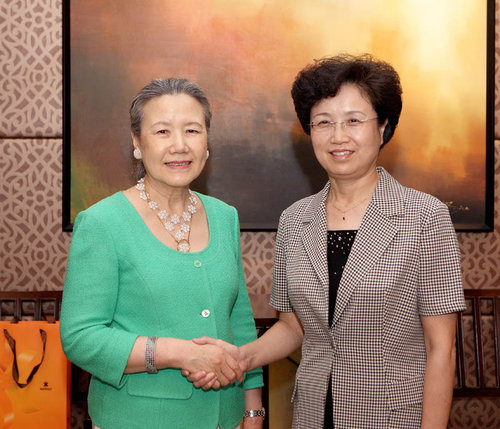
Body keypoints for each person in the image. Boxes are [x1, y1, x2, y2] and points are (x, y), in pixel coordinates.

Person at [188, 54, 466, 428]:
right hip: (313, 413)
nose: (338, 137)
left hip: (393, 416)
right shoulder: (294, 219)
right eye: (323, 123)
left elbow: (441, 349)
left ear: (382, 127)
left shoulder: (424, 217)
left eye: (354, 121)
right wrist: (238, 358)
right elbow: (293, 328)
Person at [60, 78, 263, 429]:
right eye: (163, 132)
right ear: (137, 142)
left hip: (225, 418)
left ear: (207, 141)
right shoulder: (102, 222)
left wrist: (252, 409)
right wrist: (177, 352)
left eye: (192, 130)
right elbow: (80, 336)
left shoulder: (223, 215)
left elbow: (239, 321)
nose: (180, 146)